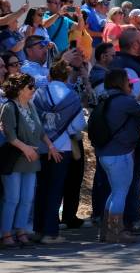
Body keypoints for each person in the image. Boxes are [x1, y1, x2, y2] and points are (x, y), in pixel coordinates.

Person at [0, 73, 59, 247]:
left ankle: (21, 230)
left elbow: (40, 131)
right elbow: (10, 135)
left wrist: (50, 146)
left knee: (27, 198)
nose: (34, 90)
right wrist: (26, 149)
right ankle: (6, 233)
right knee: (12, 198)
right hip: (15, 159)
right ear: (19, 89)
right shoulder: (9, 107)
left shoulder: (31, 106)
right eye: (30, 87)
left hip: (31, 159)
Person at [31, 59, 86, 243]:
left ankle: (38, 230)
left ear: (50, 75)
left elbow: (34, 120)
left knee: (41, 189)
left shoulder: (39, 93)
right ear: (66, 76)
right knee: (55, 189)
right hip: (62, 148)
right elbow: (78, 125)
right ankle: (51, 232)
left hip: (40, 146)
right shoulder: (70, 96)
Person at [94, 70, 140, 244]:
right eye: (128, 82)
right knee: (120, 192)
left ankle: (106, 231)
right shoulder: (124, 101)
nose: (130, 85)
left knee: (115, 192)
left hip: (105, 153)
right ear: (121, 82)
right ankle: (116, 231)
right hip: (119, 153)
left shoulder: (104, 97)